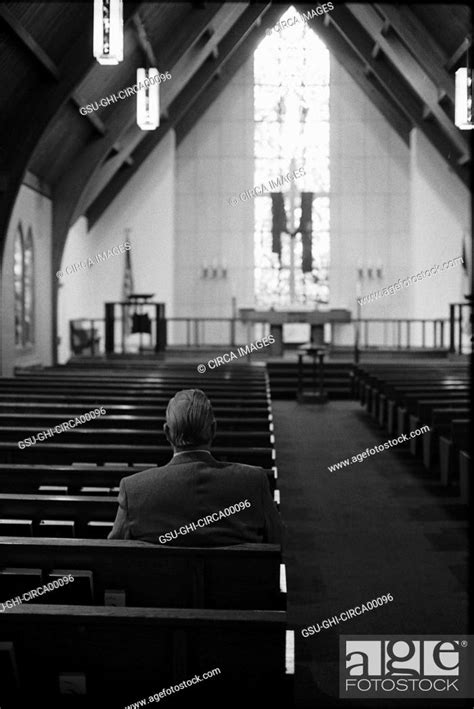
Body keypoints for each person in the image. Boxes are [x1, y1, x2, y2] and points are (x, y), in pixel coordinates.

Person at [108, 388, 282, 545]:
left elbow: (115, 553)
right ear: (213, 430)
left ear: (167, 433)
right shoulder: (253, 482)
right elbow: (277, 541)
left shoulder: (134, 490)